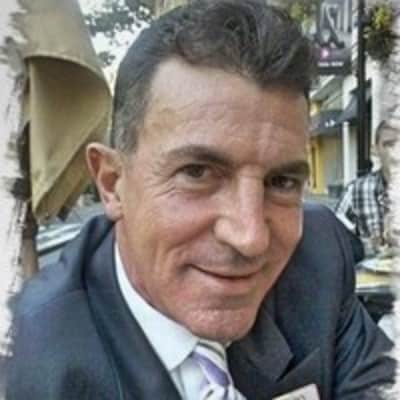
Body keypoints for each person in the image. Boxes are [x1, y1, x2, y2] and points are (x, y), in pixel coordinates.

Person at [7, 1, 395, 399]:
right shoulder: (27, 367)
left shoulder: (317, 259)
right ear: (111, 183)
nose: (250, 237)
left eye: (281, 182)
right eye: (197, 173)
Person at [335, 121, 396, 257]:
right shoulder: (356, 191)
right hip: (372, 269)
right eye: (389, 144)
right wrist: (368, 246)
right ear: (375, 150)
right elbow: (336, 242)